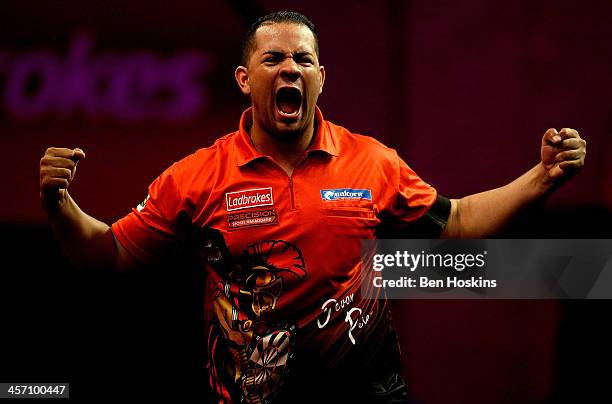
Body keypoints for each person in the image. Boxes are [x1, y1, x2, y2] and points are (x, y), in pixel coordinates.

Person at [39, 11, 586, 404]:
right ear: (244, 79)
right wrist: (59, 202)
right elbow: (105, 253)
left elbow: (460, 221)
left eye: (304, 58)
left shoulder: (372, 161)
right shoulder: (197, 176)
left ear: (320, 77)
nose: (290, 68)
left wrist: (543, 176)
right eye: (273, 58)